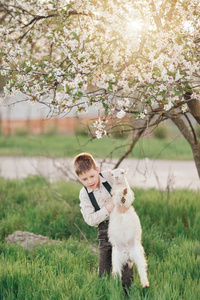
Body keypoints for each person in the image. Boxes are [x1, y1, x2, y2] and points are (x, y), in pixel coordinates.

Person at [73, 152, 133, 293]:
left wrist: (124, 203)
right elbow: (90, 219)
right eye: (84, 179)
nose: (90, 181)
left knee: (125, 262)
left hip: (122, 223)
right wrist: (109, 206)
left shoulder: (110, 176)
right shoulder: (84, 194)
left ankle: (127, 292)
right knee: (104, 264)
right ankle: (104, 292)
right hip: (104, 229)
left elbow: (127, 192)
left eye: (92, 176)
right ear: (79, 179)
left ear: (97, 169)